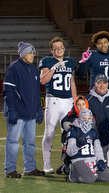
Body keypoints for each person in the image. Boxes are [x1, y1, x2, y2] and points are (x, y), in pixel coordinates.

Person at [4, 42, 45, 178]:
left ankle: (30, 168)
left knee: (30, 142)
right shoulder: (14, 67)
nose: (32, 55)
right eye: (29, 53)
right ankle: (10, 170)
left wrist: (39, 109)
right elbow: (8, 90)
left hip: (30, 114)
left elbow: (37, 92)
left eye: (33, 53)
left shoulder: (34, 69)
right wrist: (12, 110)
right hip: (18, 112)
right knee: (13, 142)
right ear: (22, 54)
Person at [39, 37, 78, 173]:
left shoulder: (70, 62)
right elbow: (43, 80)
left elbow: (72, 83)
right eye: (55, 48)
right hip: (53, 100)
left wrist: (75, 102)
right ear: (51, 50)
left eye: (60, 47)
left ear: (64, 48)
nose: (59, 49)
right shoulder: (47, 61)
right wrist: (53, 68)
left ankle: (67, 164)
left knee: (67, 133)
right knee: (49, 133)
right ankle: (46, 164)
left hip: (68, 101)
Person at [66, 109, 109, 183]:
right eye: (84, 118)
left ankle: (90, 174)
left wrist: (100, 160)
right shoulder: (73, 131)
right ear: (80, 118)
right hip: (79, 159)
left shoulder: (93, 132)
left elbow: (97, 149)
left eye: (89, 118)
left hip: (92, 160)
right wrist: (78, 145)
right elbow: (69, 152)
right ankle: (74, 174)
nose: (86, 120)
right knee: (90, 179)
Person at [85, 74, 109, 169]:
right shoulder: (87, 100)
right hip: (94, 133)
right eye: (99, 83)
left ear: (108, 84)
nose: (102, 85)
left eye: (104, 83)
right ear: (95, 84)